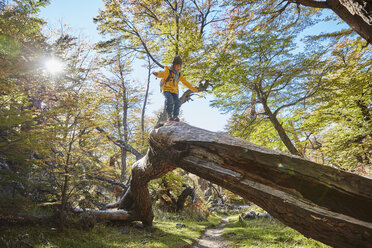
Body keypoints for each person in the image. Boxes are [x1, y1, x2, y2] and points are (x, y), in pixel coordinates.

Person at [153, 56, 198, 122]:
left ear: (180, 66)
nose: (177, 66)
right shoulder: (168, 70)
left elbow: (186, 82)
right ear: (173, 65)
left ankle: (175, 116)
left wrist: (193, 89)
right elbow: (163, 74)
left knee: (177, 102)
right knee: (169, 99)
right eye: (175, 65)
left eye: (178, 65)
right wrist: (157, 74)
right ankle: (169, 116)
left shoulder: (179, 74)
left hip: (174, 91)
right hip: (166, 89)